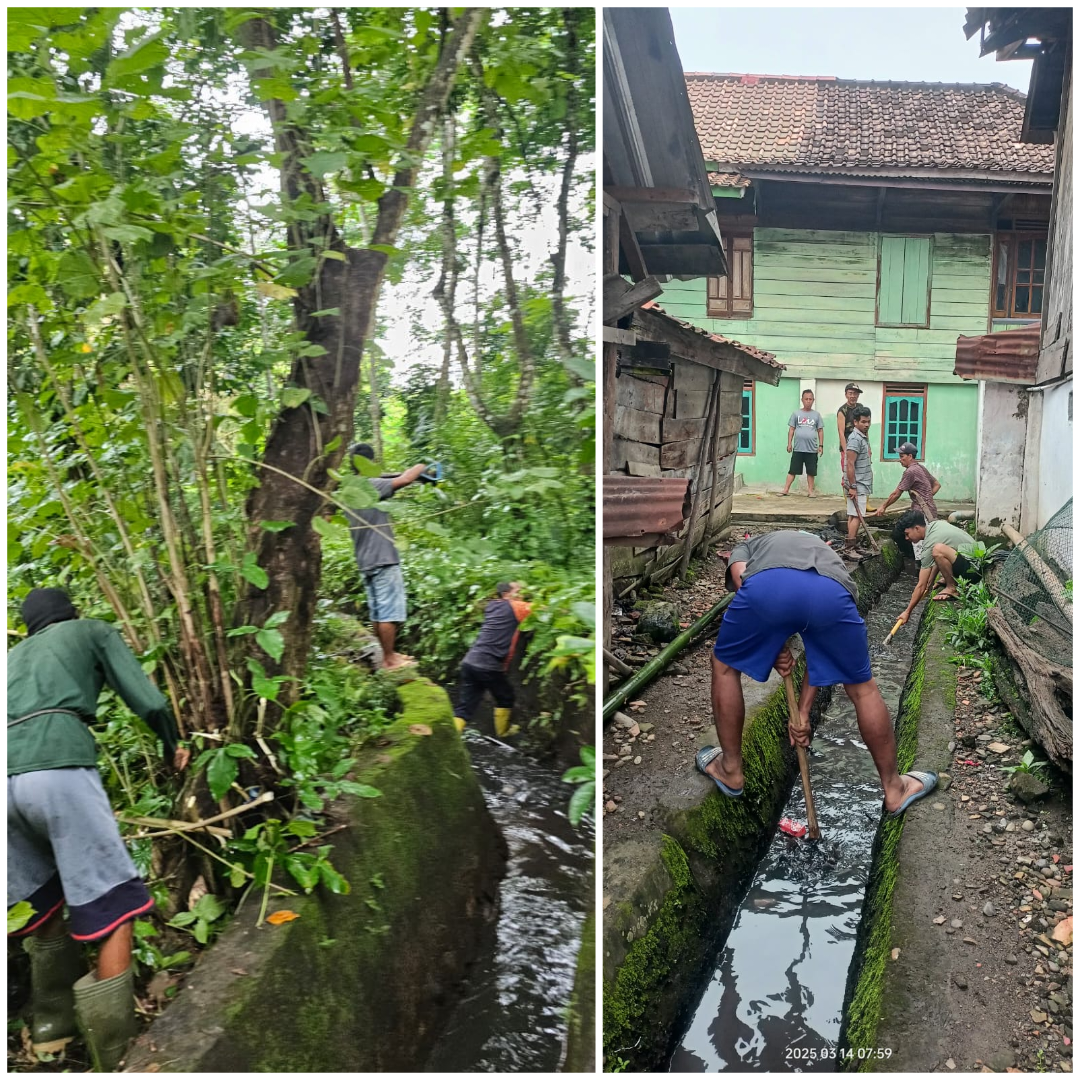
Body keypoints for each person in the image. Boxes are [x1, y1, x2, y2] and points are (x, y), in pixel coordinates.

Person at [7, 588, 190, 1071]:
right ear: (72, 612)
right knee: (114, 901)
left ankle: (51, 1033)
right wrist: (174, 741)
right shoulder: (90, 631)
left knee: (40, 901)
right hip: (61, 769)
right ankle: (116, 1053)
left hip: (6, 780)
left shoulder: (11, 658)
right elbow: (147, 700)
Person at [695, 532, 936, 818]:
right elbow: (819, 651)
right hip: (832, 594)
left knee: (724, 666)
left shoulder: (746, 546)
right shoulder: (824, 553)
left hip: (769, 589)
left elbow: (743, 581)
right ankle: (895, 789)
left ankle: (731, 769)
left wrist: (771, 645)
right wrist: (803, 713)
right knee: (863, 689)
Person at [343, 443, 430, 670]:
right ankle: (390, 659)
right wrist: (422, 465)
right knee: (388, 612)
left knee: (377, 611)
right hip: (383, 556)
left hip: (364, 559)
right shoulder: (371, 484)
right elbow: (405, 479)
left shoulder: (347, 489)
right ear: (370, 462)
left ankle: (385, 655)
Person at [454, 582, 532, 738]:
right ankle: (503, 733)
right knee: (506, 697)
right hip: (488, 665)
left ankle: (451, 738)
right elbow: (546, 610)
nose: (523, 592)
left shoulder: (492, 606)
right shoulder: (517, 607)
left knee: (465, 707)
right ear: (508, 594)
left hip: (470, 661)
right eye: (519, 590)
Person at [893, 510, 980, 622]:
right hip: (974, 564)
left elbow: (920, 585)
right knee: (938, 551)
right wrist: (931, 582)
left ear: (917, 528)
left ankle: (951, 588)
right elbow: (934, 563)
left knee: (938, 550)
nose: (906, 538)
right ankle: (949, 580)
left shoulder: (930, 542)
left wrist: (907, 611)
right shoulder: (936, 525)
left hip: (974, 571)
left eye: (907, 534)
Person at [875, 442, 941, 521]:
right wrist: (926, 499)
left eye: (902, 456)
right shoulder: (920, 467)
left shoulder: (910, 471)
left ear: (910, 456)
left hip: (921, 514)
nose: (900, 460)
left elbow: (896, 494)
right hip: (931, 510)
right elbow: (937, 485)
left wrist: (883, 507)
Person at [779, 388, 824, 497]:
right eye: (806, 399)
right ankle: (785, 490)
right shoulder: (796, 414)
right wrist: (789, 444)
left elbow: (820, 431)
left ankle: (810, 491)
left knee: (811, 472)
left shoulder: (817, 415)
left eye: (810, 399)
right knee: (792, 470)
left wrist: (821, 445)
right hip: (798, 448)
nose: (808, 401)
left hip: (812, 449)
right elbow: (791, 430)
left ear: (813, 400)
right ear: (802, 400)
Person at [843, 405, 874, 550]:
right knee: (856, 517)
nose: (866, 424)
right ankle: (851, 546)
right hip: (858, 485)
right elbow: (850, 463)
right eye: (863, 421)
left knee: (852, 515)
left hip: (857, 484)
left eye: (868, 421)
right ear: (855, 422)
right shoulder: (856, 438)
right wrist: (853, 487)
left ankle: (850, 543)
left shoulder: (861, 437)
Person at [836, 382, 863, 478]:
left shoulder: (860, 408)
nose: (853, 396)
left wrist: (868, 447)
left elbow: (865, 429)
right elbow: (841, 432)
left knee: (860, 472)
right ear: (846, 394)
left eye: (855, 394)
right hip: (848, 446)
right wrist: (846, 451)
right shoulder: (842, 411)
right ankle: (847, 493)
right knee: (847, 473)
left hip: (860, 445)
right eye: (850, 393)